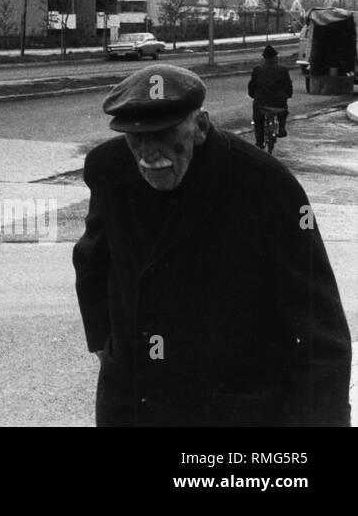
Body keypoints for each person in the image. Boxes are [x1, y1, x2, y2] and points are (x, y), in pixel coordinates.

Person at [73, 63, 351, 426]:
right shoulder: (108, 169)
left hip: (231, 408)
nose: (148, 155)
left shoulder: (267, 185)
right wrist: (108, 350)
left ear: (200, 126)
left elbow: (320, 326)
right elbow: (92, 261)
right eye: (136, 138)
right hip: (135, 401)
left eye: (165, 136)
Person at [248, 44, 293, 148]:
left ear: (264, 58)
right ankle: (281, 127)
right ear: (275, 58)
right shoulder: (283, 70)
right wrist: (288, 95)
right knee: (283, 111)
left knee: (258, 120)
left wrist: (252, 95)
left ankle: (259, 143)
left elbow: (251, 86)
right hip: (279, 102)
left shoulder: (257, 70)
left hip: (261, 103)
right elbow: (288, 86)